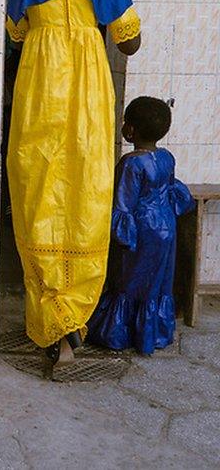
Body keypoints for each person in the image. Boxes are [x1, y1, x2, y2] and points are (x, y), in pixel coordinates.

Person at [5, 0, 142, 370]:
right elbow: (130, 43)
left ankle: (50, 321)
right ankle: (73, 323)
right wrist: (95, 21)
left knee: (37, 193)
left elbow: (16, 35)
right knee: (86, 194)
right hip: (87, 99)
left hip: (40, 97)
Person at [87, 97, 194, 354]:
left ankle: (119, 335)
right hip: (166, 228)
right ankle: (152, 335)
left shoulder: (131, 163)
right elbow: (171, 190)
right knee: (157, 282)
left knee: (128, 281)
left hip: (141, 231)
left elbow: (123, 206)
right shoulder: (167, 157)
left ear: (130, 130)